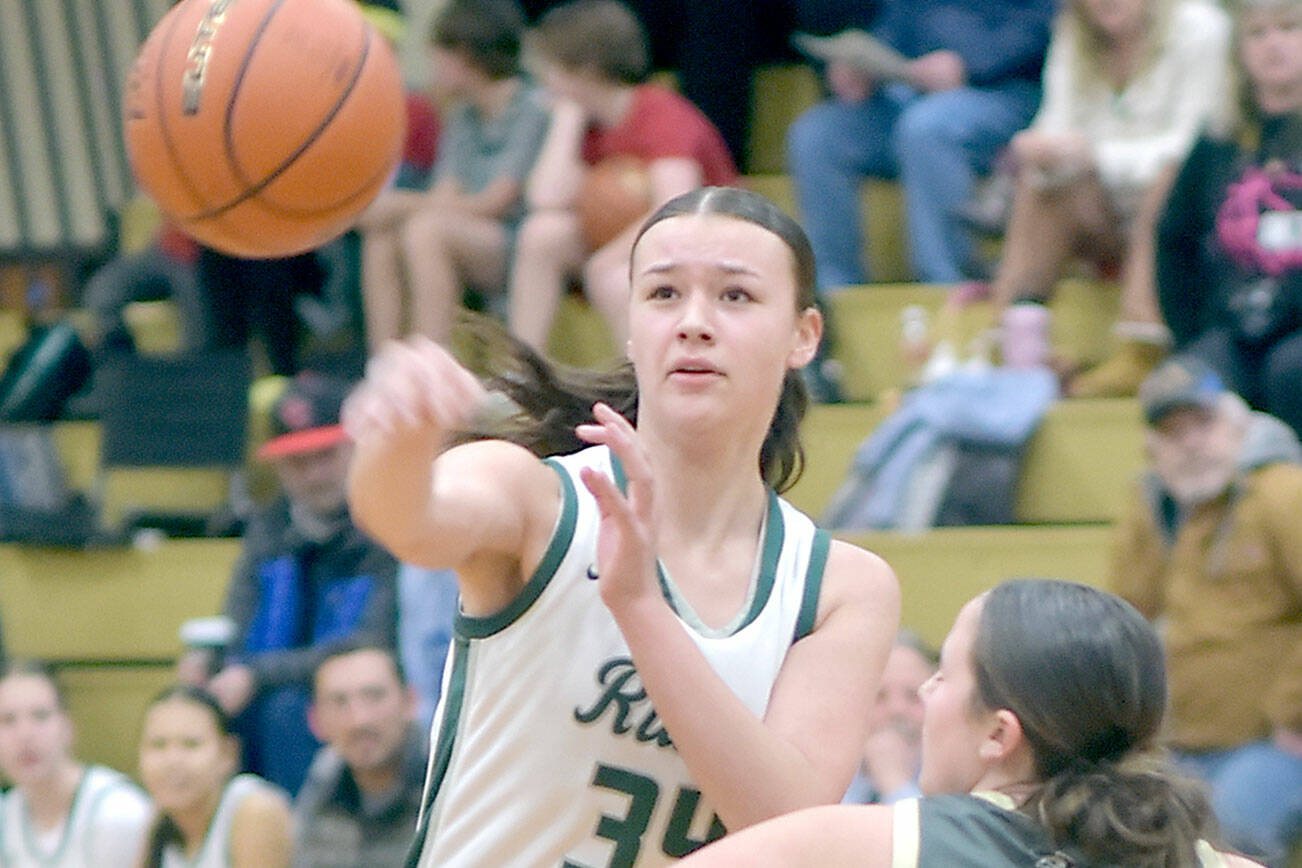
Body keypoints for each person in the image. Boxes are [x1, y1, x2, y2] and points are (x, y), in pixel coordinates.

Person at [345, 186, 900, 866]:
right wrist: (398, 437)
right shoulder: (541, 498)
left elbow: (782, 822)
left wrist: (640, 608)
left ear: (802, 336)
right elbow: (408, 519)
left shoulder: (839, 587)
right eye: (664, 294)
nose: (694, 322)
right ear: (633, 329)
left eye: (735, 297)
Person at [674, 579, 1266, 868]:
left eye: (943, 675)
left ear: (999, 735)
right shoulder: (1203, 857)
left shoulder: (901, 841)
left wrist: (638, 604)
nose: (929, 693)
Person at [1110, 356, 1302, 866]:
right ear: (1153, 448)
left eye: (1204, 424)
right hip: (1178, 746)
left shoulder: (1282, 492)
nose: (1191, 443)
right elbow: (1120, 617)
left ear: (1238, 426)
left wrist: (1293, 719)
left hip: (1276, 741)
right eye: (1172, 433)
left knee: (1229, 834)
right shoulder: (1155, 505)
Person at [988, 0, 1234, 398]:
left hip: (1184, 215)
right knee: (1039, 187)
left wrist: (1093, 155)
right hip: (1106, 210)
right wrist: (1036, 149)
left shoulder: (1201, 27)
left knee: (1167, 178)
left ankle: (1142, 346)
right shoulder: (1073, 34)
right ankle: (1011, 340)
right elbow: (1057, 122)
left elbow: (1197, 146)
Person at [178, 372, 398, 796]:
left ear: (356, 447)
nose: (315, 475)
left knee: (286, 712)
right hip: (265, 694)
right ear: (277, 465)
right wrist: (208, 665)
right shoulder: (268, 528)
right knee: (198, 706)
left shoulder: (386, 526)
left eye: (326, 455)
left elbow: (373, 641)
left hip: (351, 696)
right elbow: (235, 622)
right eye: (298, 461)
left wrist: (256, 675)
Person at [507, 0, 739, 352]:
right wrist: (566, 121)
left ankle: (639, 390)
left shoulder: (658, 112)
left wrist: (608, 259)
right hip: (634, 240)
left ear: (583, 69)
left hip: (709, 240)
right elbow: (545, 199)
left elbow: (676, 208)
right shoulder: (586, 123)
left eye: (552, 67)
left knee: (615, 278)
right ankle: (522, 371)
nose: (544, 79)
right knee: (541, 233)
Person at [786, 0, 1054, 291]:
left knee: (926, 128)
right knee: (817, 134)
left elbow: (1052, 22)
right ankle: (831, 289)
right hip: (913, 93)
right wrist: (863, 69)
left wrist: (971, 64)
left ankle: (946, 283)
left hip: (1007, 91)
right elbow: (894, 26)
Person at [356, 0, 550, 351]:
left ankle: (431, 361)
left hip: (515, 242)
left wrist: (400, 202)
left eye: (437, 56)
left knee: (425, 229)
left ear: (463, 55)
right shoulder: (463, 115)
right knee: (382, 235)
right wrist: (395, 210)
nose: (432, 68)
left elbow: (496, 201)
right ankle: (382, 362)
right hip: (469, 228)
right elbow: (445, 191)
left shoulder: (530, 108)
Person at [1155, 0, 1302, 438]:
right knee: (1187, 383)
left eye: (1289, 28)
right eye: (1257, 33)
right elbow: (1173, 241)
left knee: (1289, 375)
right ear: (1239, 50)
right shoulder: (1217, 142)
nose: (1273, 44)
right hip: (1232, 328)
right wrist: (1192, 334)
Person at [0, 660, 151, 868]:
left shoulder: (118, 811)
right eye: (7, 720)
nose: (24, 735)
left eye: (40, 716)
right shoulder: (6, 814)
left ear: (68, 726)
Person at [292, 644, 427, 868]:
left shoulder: (446, 780)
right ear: (315, 721)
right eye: (339, 701)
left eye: (374, 696)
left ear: (410, 702)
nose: (360, 720)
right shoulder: (323, 782)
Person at [138, 685, 292, 868]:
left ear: (228, 754)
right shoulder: (159, 818)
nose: (173, 761)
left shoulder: (255, 811)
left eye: (191, 744)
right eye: (158, 744)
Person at [841, 630, 935, 805]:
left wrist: (895, 783)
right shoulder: (826, 785)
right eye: (879, 696)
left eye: (914, 696)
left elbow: (932, 833)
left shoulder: (958, 786)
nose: (897, 710)